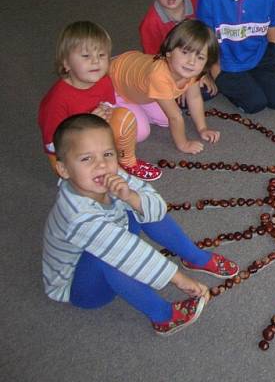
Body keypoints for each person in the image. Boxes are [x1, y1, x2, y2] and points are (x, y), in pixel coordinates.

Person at [42, 114, 239, 335]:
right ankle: (163, 315)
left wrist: (131, 197)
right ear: (64, 169)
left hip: (114, 235)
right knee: (108, 258)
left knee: (140, 205)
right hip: (81, 286)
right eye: (86, 159)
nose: (101, 165)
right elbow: (125, 251)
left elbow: (158, 207)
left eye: (108, 154)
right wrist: (178, 279)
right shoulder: (77, 216)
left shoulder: (112, 175)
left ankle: (195, 256)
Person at [38, 21, 161, 181]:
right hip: (68, 145)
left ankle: (126, 161)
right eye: (86, 56)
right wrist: (88, 123)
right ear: (66, 63)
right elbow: (52, 144)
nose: (96, 61)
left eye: (102, 55)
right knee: (84, 180)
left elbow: (110, 105)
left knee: (131, 123)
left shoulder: (104, 81)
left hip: (95, 133)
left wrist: (106, 114)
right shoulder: (57, 100)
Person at [109, 20, 221, 155]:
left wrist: (203, 128)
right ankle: (108, 111)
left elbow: (195, 98)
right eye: (185, 52)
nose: (192, 62)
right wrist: (183, 144)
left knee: (165, 120)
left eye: (200, 57)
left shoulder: (191, 71)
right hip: (115, 86)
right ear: (169, 52)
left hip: (139, 88)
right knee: (141, 133)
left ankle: (137, 108)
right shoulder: (159, 76)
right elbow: (175, 117)